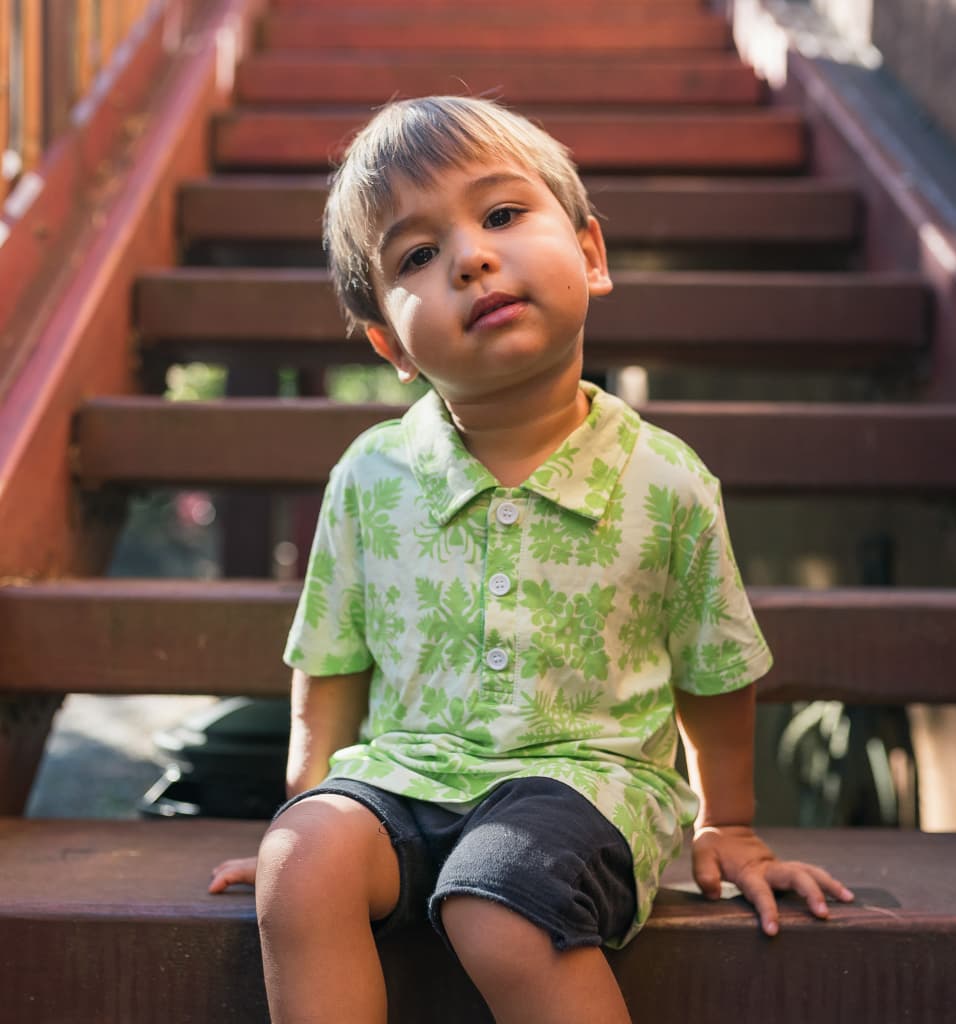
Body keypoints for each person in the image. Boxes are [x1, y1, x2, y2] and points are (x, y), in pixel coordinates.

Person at [209, 95, 853, 1024]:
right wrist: (306, 819)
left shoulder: (662, 481)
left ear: (590, 255)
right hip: (406, 776)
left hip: (585, 783)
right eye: (417, 257)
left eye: (503, 215)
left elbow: (713, 669)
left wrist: (730, 823)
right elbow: (331, 659)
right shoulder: (372, 477)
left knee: (498, 903)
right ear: (391, 344)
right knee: (300, 867)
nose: (470, 257)